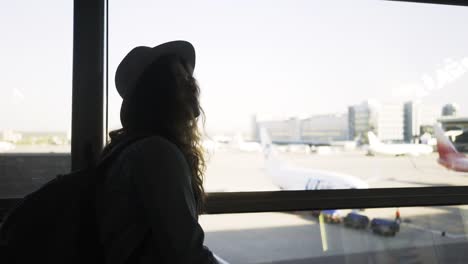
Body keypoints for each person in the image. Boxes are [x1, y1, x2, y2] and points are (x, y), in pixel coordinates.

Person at [96, 41, 218, 264]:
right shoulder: (157, 153)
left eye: (190, 79)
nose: (193, 86)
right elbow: (187, 254)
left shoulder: (130, 150)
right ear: (160, 94)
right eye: (182, 81)